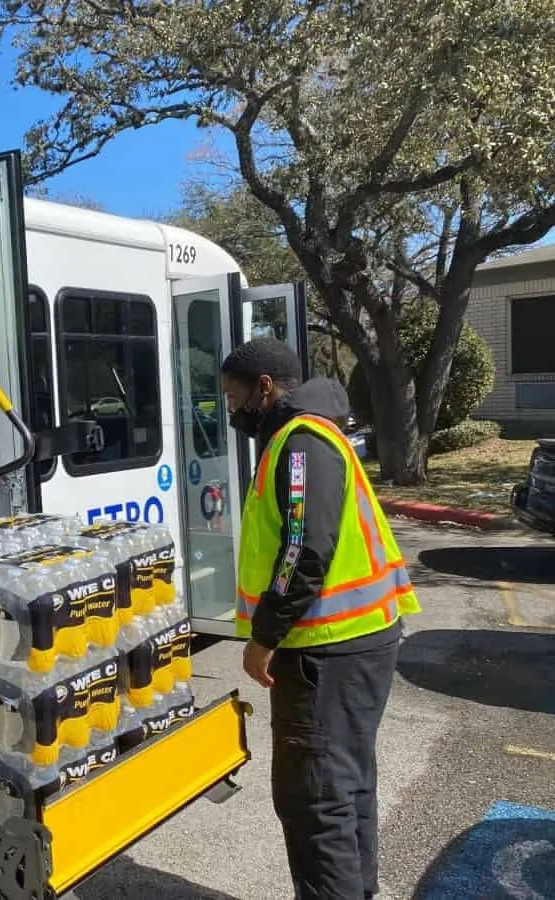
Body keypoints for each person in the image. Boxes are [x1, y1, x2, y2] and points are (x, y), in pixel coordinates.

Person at [219, 336, 421, 900]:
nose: (231, 412)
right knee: (346, 785)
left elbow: (304, 551)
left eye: (234, 399)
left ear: (264, 387)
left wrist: (263, 639)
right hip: (355, 642)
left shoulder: (300, 441)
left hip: (328, 650)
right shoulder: (311, 434)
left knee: (316, 799)